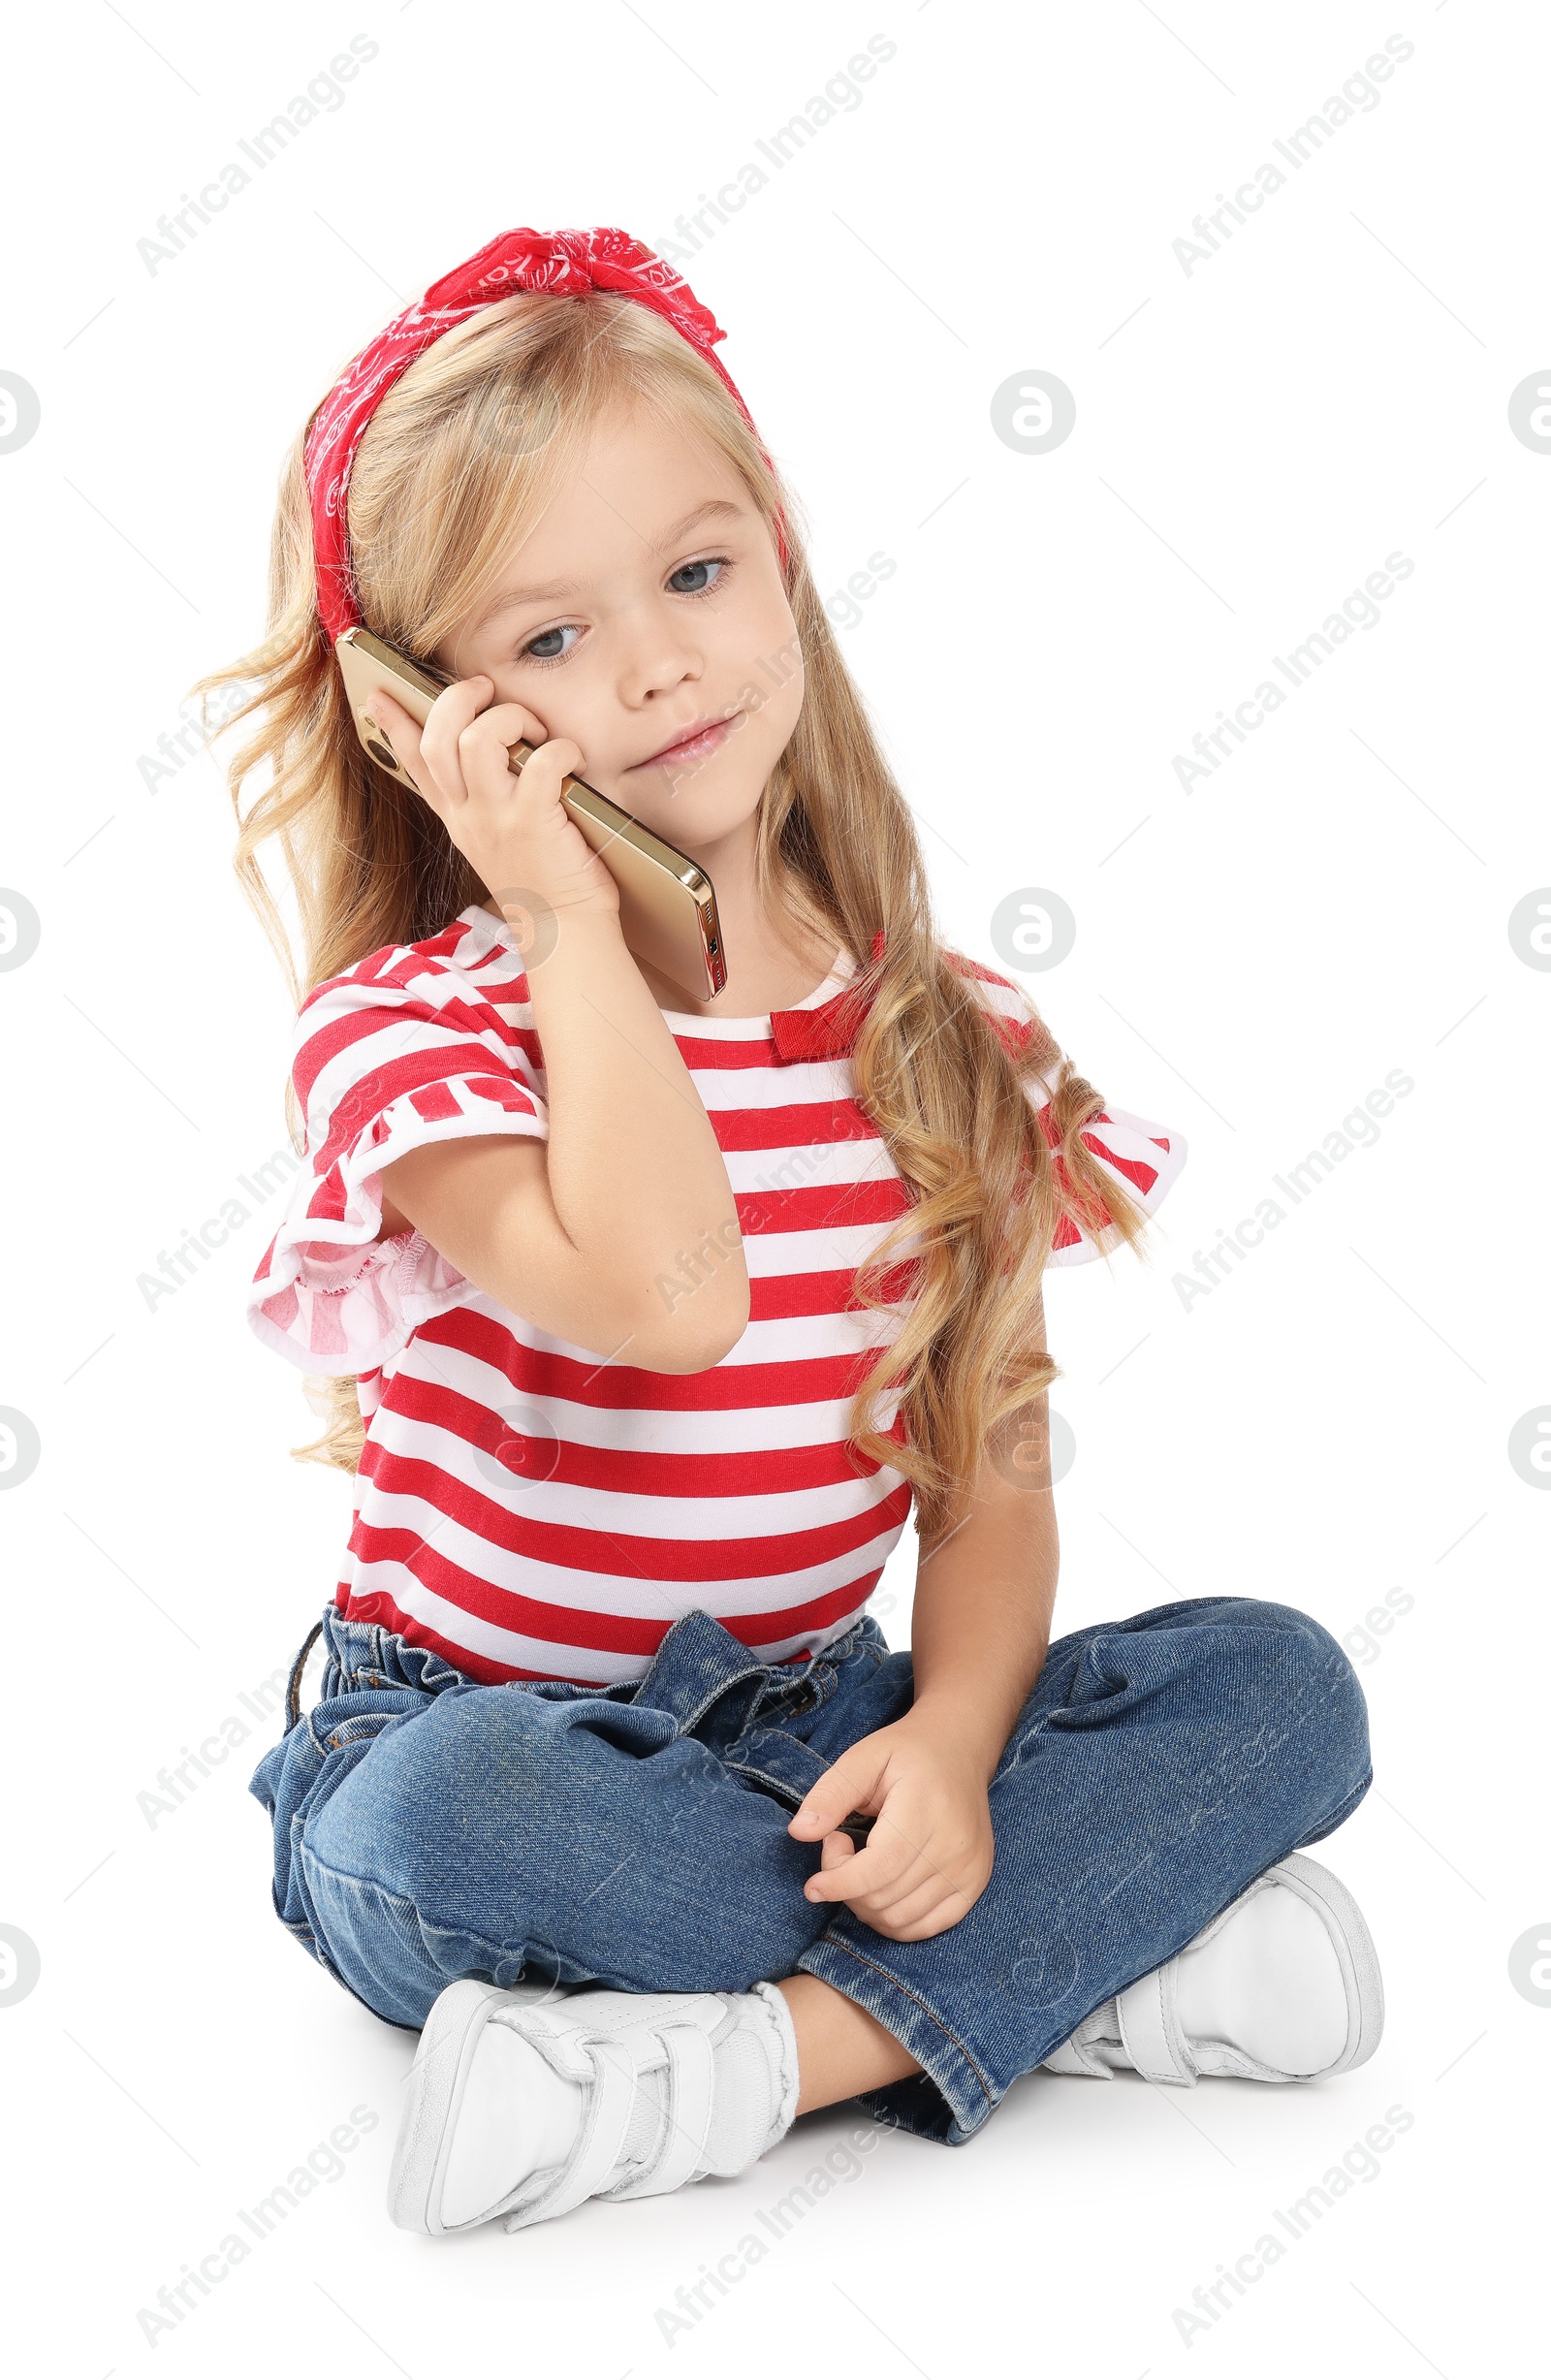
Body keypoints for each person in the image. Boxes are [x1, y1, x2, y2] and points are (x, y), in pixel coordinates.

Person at [200, 226, 1381, 2239]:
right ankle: (1073, 1969)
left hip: (822, 1730)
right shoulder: (425, 1038)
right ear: (418, 718)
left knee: (1281, 1685)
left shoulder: (945, 1039)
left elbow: (986, 1480)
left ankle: (758, 2059)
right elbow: (671, 1296)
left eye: (692, 572)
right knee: (425, 1825)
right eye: (542, 640)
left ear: (782, 555)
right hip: (489, 1741)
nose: (652, 663)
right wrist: (571, 912)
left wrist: (946, 1733)